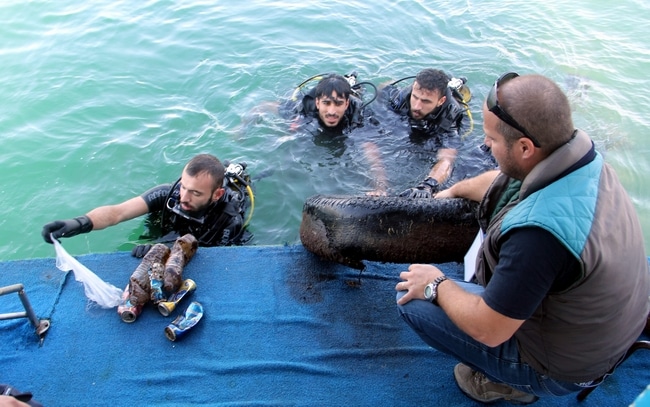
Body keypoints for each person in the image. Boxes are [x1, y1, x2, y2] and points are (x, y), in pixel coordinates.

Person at [395, 72, 650, 404]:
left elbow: (490, 329)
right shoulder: (585, 160)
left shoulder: (538, 235)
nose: (485, 145)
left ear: (525, 147)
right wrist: (450, 192)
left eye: (492, 140)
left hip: (565, 369)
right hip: (615, 330)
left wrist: (436, 283)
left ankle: (512, 383)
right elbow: (499, 180)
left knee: (413, 301)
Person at [41, 154, 252, 256]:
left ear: (217, 194)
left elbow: (212, 260)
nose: (184, 197)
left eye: (196, 193)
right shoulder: (169, 193)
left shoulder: (229, 219)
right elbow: (118, 212)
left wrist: (164, 250)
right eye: (184, 186)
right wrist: (80, 223)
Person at [378, 68, 470, 198]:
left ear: (441, 101)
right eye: (415, 97)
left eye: (426, 101)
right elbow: (384, 87)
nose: (417, 106)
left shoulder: (450, 115)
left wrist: (428, 185)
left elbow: (447, 159)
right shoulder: (402, 97)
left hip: (437, 126)